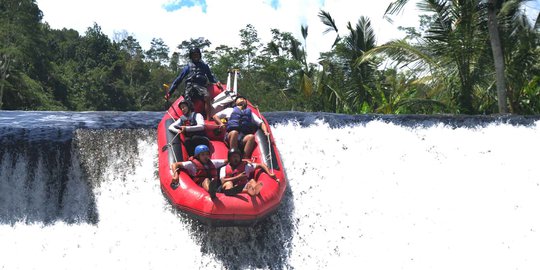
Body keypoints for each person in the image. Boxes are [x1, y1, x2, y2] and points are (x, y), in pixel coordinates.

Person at [165, 47, 222, 120]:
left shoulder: (204, 66)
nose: (196, 56)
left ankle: (208, 119)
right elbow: (179, 79)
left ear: (200, 55)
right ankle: (187, 119)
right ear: (191, 56)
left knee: (207, 96)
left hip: (200, 86)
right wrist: (170, 92)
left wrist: (217, 81)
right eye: (194, 55)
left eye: (197, 54)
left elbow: (211, 77)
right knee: (187, 100)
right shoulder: (187, 67)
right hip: (190, 85)